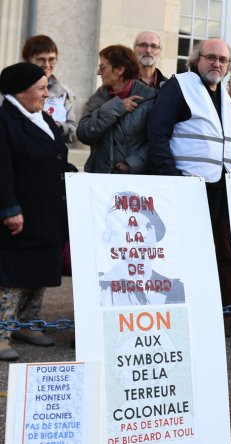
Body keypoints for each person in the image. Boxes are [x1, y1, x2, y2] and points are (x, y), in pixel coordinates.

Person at [147, 38, 231, 333]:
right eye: (211, 57)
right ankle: (181, 316)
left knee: (219, 253)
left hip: (221, 186)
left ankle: (216, 314)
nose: (217, 64)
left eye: (223, 60)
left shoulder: (222, 93)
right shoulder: (180, 85)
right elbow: (157, 133)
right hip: (189, 185)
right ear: (196, 59)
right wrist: (171, 178)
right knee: (185, 255)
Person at [0, 63, 70, 360]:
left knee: (40, 271)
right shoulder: (5, 120)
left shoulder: (43, 117)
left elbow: (55, 158)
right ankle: (2, 333)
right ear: (20, 91)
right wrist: (9, 208)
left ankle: (28, 324)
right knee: (12, 276)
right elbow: (1, 169)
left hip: (47, 210)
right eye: (41, 88)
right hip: (21, 211)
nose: (46, 93)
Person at [78, 45, 157, 174]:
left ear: (120, 69)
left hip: (137, 180)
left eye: (102, 67)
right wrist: (115, 108)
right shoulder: (97, 97)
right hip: (101, 179)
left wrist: (131, 164)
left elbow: (157, 141)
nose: (99, 72)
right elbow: (83, 134)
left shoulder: (149, 98)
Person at [20, 35, 77, 143]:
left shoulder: (64, 93)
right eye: (41, 59)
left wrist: (54, 125)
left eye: (51, 59)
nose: (47, 65)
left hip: (52, 156)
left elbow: (73, 133)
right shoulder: (11, 89)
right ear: (26, 60)